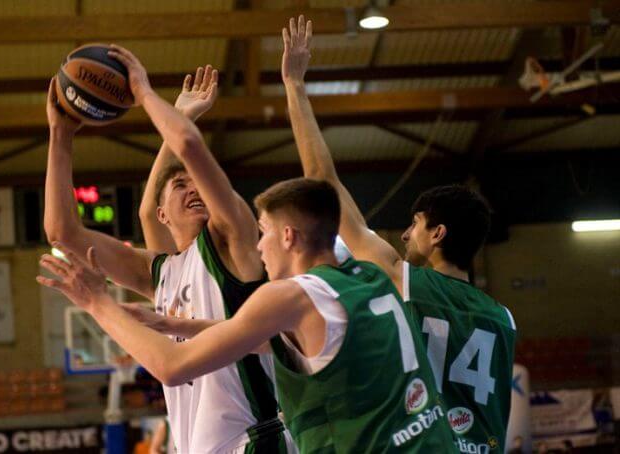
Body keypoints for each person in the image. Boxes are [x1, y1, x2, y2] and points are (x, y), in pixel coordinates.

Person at [38, 177, 456, 453]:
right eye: (178, 185)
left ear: (287, 235)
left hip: (251, 440)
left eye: (265, 232)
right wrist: (170, 323)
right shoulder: (366, 276)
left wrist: (97, 302)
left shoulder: (242, 259)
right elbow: (84, 226)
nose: (260, 244)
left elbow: (172, 365)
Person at [281, 15, 517, 453]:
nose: (406, 235)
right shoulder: (504, 319)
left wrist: (294, 86)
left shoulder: (405, 279)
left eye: (416, 224)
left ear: (438, 233)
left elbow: (321, 180)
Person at [43, 52, 291, 452]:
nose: (193, 187)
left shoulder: (232, 241)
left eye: (196, 182)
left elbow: (187, 149)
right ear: (162, 214)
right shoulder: (159, 272)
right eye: (180, 186)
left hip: (252, 441)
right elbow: (62, 232)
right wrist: (60, 134)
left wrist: (162, 105)